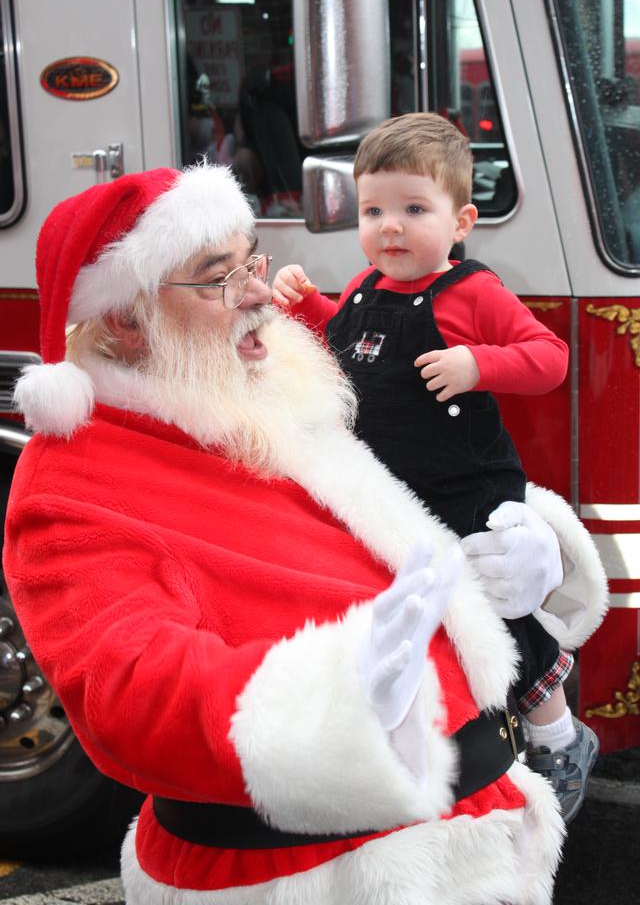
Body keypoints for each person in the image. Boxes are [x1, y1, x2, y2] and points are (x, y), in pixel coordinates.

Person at [3, 164, 607, 905]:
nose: (261, 293)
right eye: (218, 278)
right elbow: (126, 689)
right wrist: (340, 695)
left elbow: (378, 531)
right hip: (321, 881)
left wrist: (514, 541)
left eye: (249, 260)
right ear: (126, 322)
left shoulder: (244, 392)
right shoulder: (75, 483)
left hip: (466, 846)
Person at [272, 112, 598, 822]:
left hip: (467, 488)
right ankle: (469, 749)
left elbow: (549, 358)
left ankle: (561, 739)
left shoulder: (473, 292)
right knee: (422, 617)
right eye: (373, 210)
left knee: (502, 610)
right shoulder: (364, 288)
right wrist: (305, 307)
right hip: (395, 489)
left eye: (414, 209)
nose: (390, 227)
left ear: (461, 221)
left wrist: (479, 362)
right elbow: (344, 345)